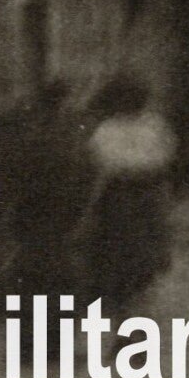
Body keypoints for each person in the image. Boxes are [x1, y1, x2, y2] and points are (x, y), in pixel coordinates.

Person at [77, 75, 176, 316]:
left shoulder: (152, 125)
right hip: (124, 197)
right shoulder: (111, 128)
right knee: (123, 266)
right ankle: (129, 323)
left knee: (139, 266)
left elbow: (164, 158)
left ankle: (133, 324)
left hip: (139, 196)